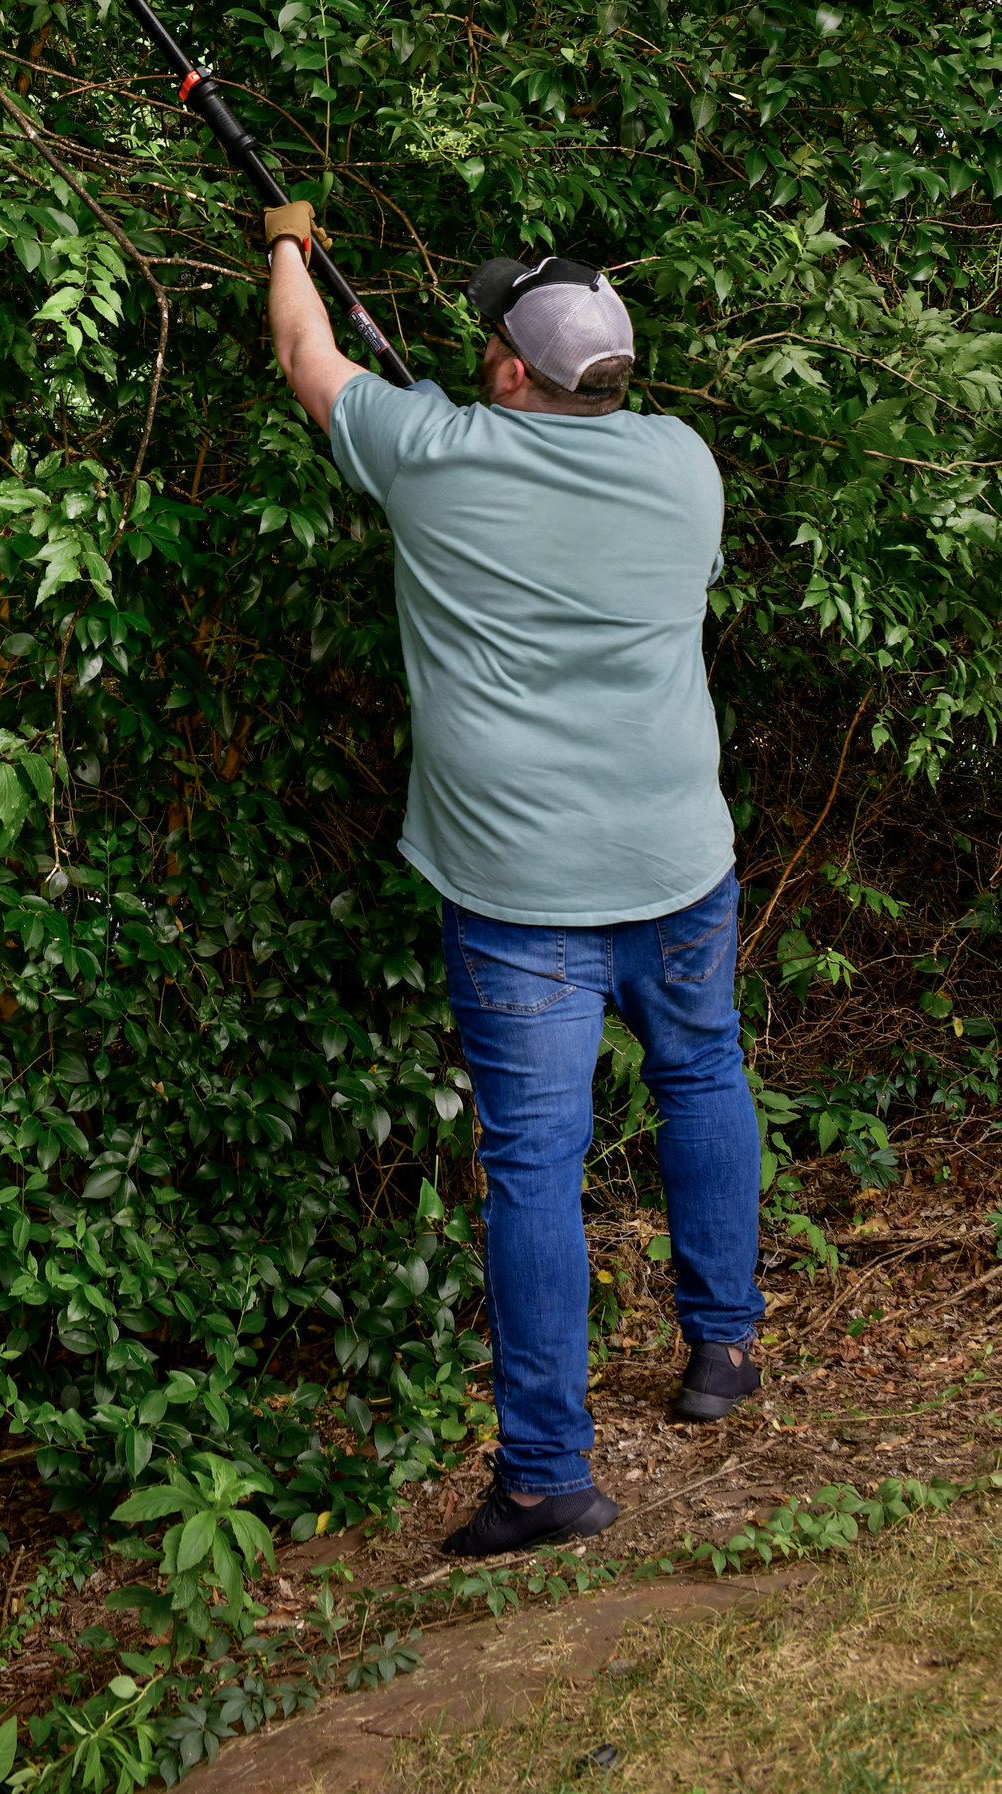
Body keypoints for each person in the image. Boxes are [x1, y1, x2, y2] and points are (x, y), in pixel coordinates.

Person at [265, 211, 763, 1559]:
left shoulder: (433, 455)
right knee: (703, 1071)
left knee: (533, 1164)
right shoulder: (683, 460)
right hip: (676, 858)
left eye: (494, 337)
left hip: (521, 888)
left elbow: (311, 359)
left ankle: (549, 1477)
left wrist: (289, 241)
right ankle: (723, 1352)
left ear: (507, 372)